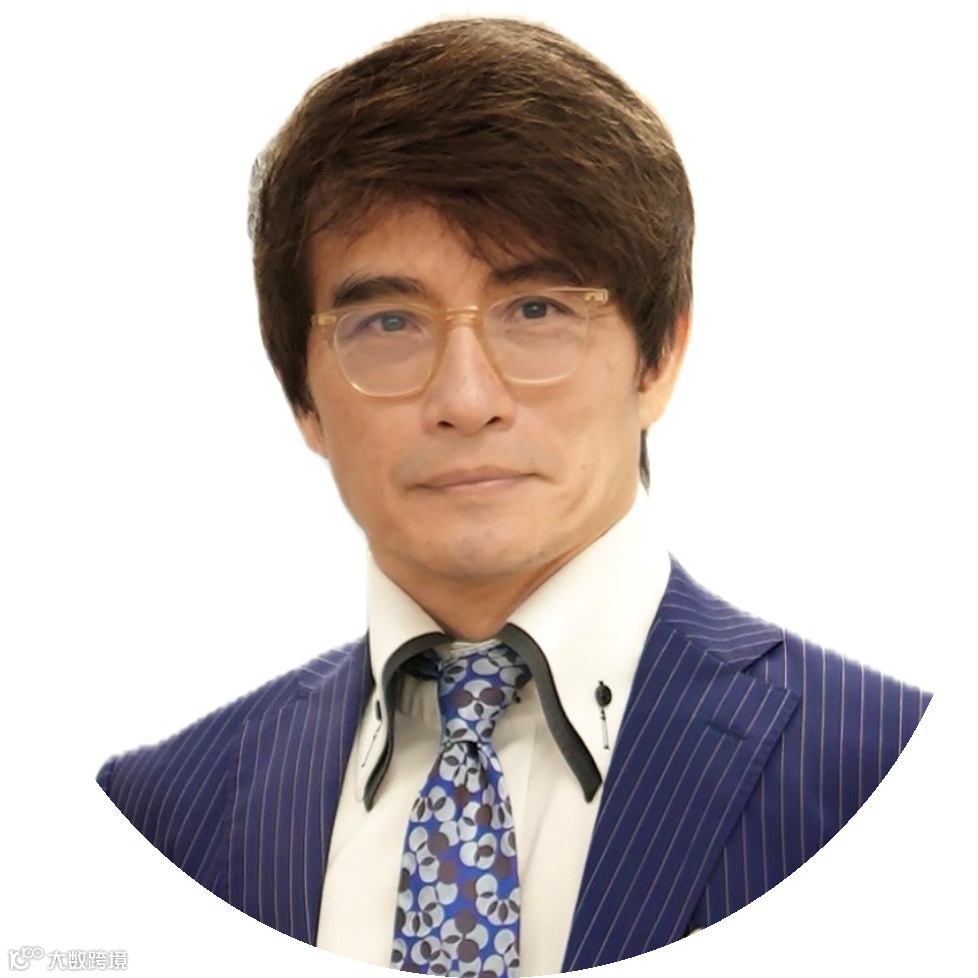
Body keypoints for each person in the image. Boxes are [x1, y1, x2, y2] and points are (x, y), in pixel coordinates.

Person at [96, 16, 930, 976]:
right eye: (388, 323)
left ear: (659, 357)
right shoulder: (158, 817)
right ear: (303, 398)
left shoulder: (893, 771)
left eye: (537, 310)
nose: (465, 398)